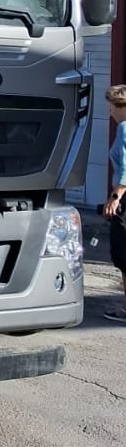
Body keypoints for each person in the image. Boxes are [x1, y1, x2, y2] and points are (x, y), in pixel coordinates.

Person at [104, 84, 126, 322]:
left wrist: (115, 197)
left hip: (125, 197)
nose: (109, 111)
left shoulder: (124, 129)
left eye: (110, 105)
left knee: (122, 253)